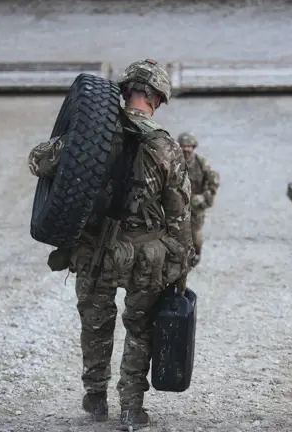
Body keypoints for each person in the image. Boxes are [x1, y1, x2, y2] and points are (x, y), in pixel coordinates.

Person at [28, 59, 192, 430]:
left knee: (96, 322)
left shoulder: (92, 136)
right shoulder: (167, 147)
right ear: (157, 100)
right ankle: (132, 409)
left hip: (96, 250)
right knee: (140, 328)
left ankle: (96, 396)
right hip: (145, 256)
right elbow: (180, 216)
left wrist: (64, 143)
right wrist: (181, 267)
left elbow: (39, 162)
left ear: (125, 91)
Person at [176, 132, 220, 268]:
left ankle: (195, 256)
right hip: (176, 204)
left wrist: (204, 197)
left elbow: (214, 182)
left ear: (193, 147)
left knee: (195, 234)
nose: (186, 149)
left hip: (195, 206)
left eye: (188, 146)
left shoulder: (201, 164)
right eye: (183, 146)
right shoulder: (173, 162)